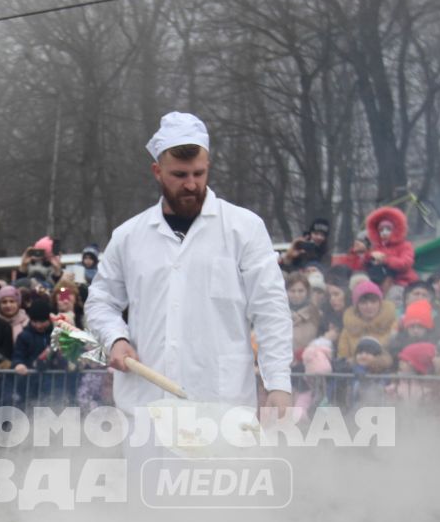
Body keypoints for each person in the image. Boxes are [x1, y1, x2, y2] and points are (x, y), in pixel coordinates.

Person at [83, 111, 291, 415]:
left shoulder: (244, 228)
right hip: (147, 407)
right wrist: (116, 338)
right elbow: (100, 302)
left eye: (199, 173)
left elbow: (271, 309)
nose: (191, 184)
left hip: (222, 406)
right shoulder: (129, 237)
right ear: (157, 171)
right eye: (179, 175)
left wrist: (279, 384)